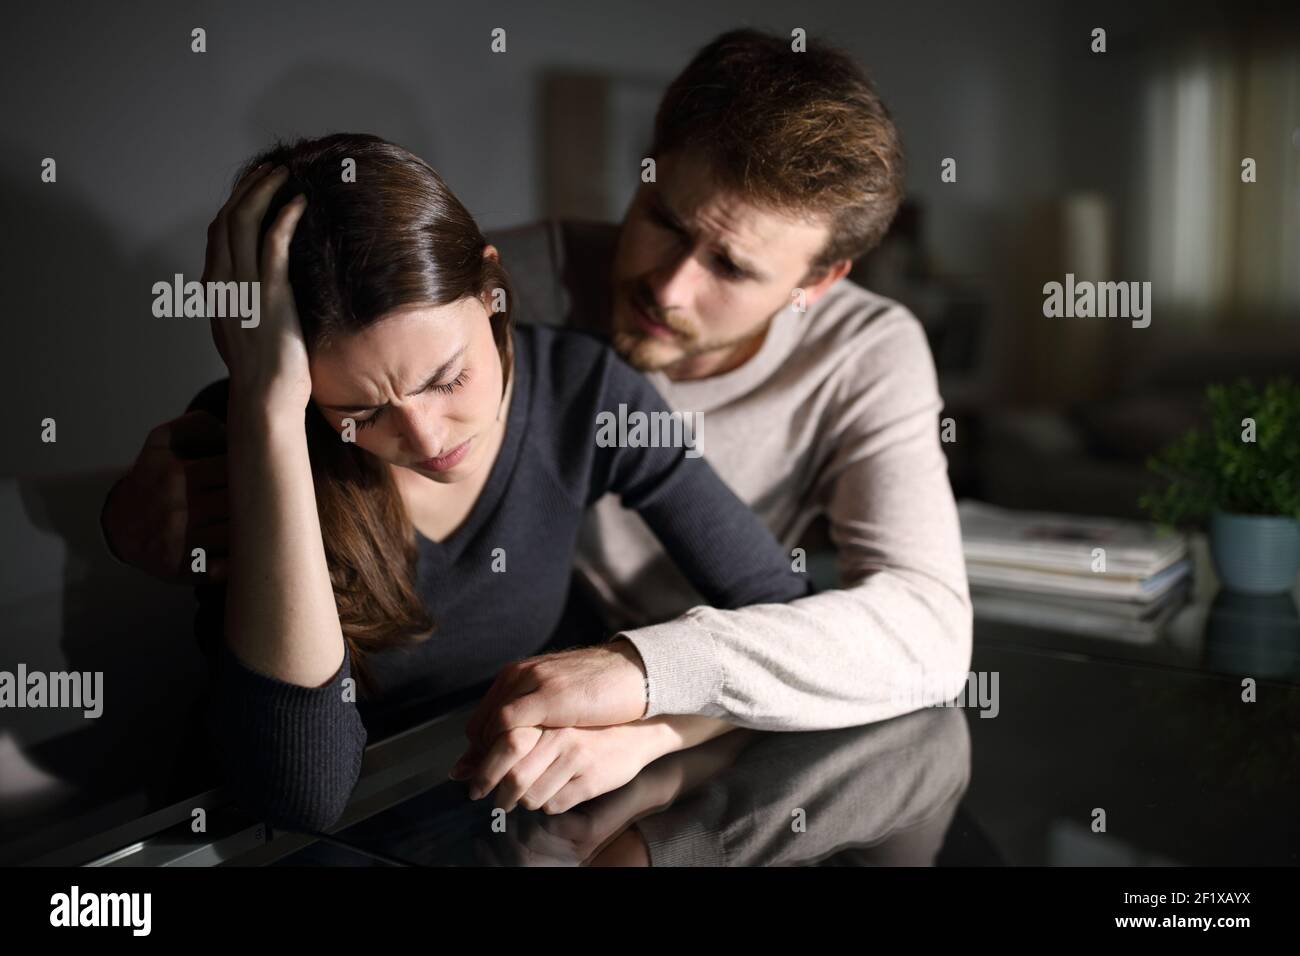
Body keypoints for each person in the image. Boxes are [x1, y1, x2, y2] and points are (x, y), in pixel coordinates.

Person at [103, 28, 972, 813]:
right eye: (663, 219)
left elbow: (914, 633)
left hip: (589, 730)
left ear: (816, 283)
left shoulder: (848, 354)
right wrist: (199, 463)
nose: (668, 289)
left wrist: (648, 699)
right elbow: (294, 782)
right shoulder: (485, 286)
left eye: (732, 267)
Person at [165, 131, 810, 831]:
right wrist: (269, 415)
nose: (428, 438)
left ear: (492, 292)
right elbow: (302, 796)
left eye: (448, 379)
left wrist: (655, 729)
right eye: (361, 410)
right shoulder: (258, 441)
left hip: (515, 817)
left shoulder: (584, 392)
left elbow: (790, 627)